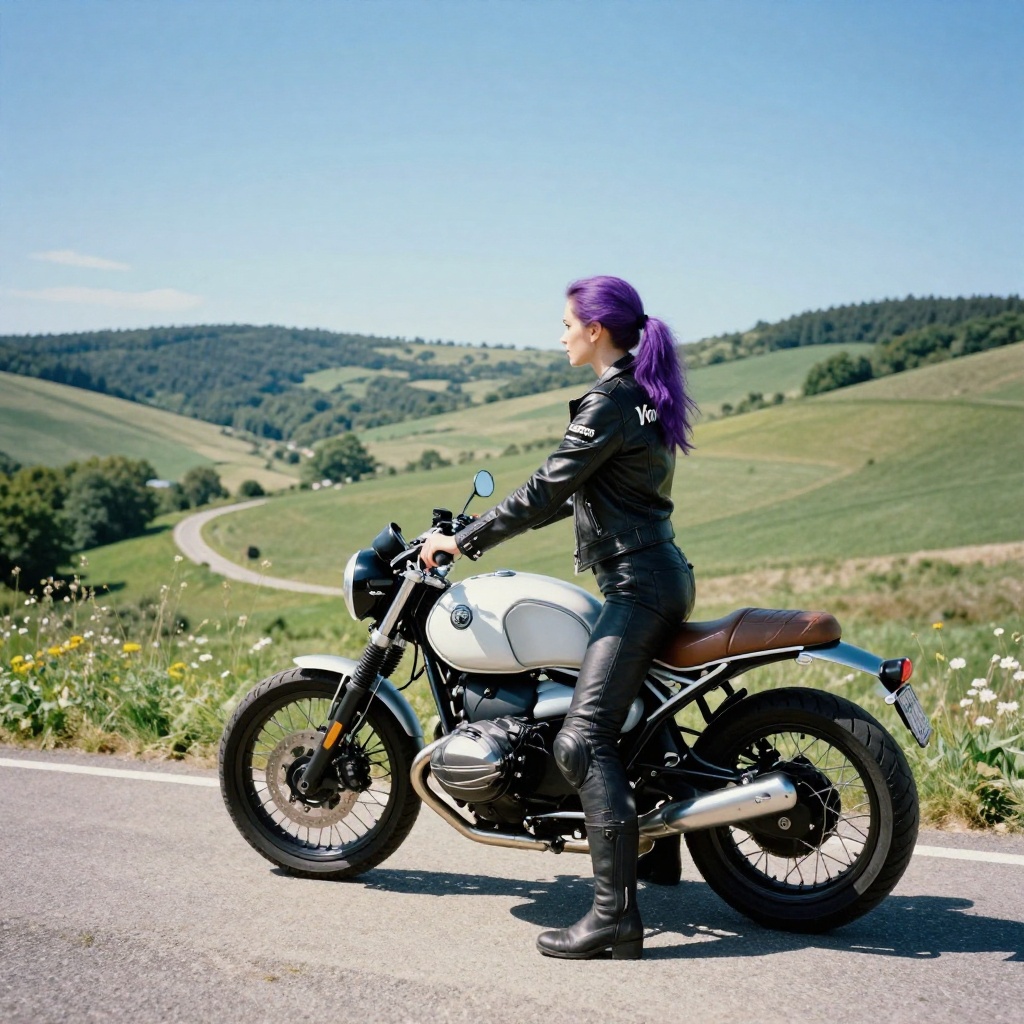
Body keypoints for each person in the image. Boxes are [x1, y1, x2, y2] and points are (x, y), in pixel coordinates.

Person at [421, 275, 697, 960]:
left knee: (582, 740)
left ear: (595, 330)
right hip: (660, 573)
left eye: (567, 323)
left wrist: (464, 540)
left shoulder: (609, 402)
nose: (561, 334)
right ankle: (659, 855)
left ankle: (613, 918)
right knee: (625, 718)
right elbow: (581, 490)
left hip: (636, 585)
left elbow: (548, 487)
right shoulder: (642, 393)